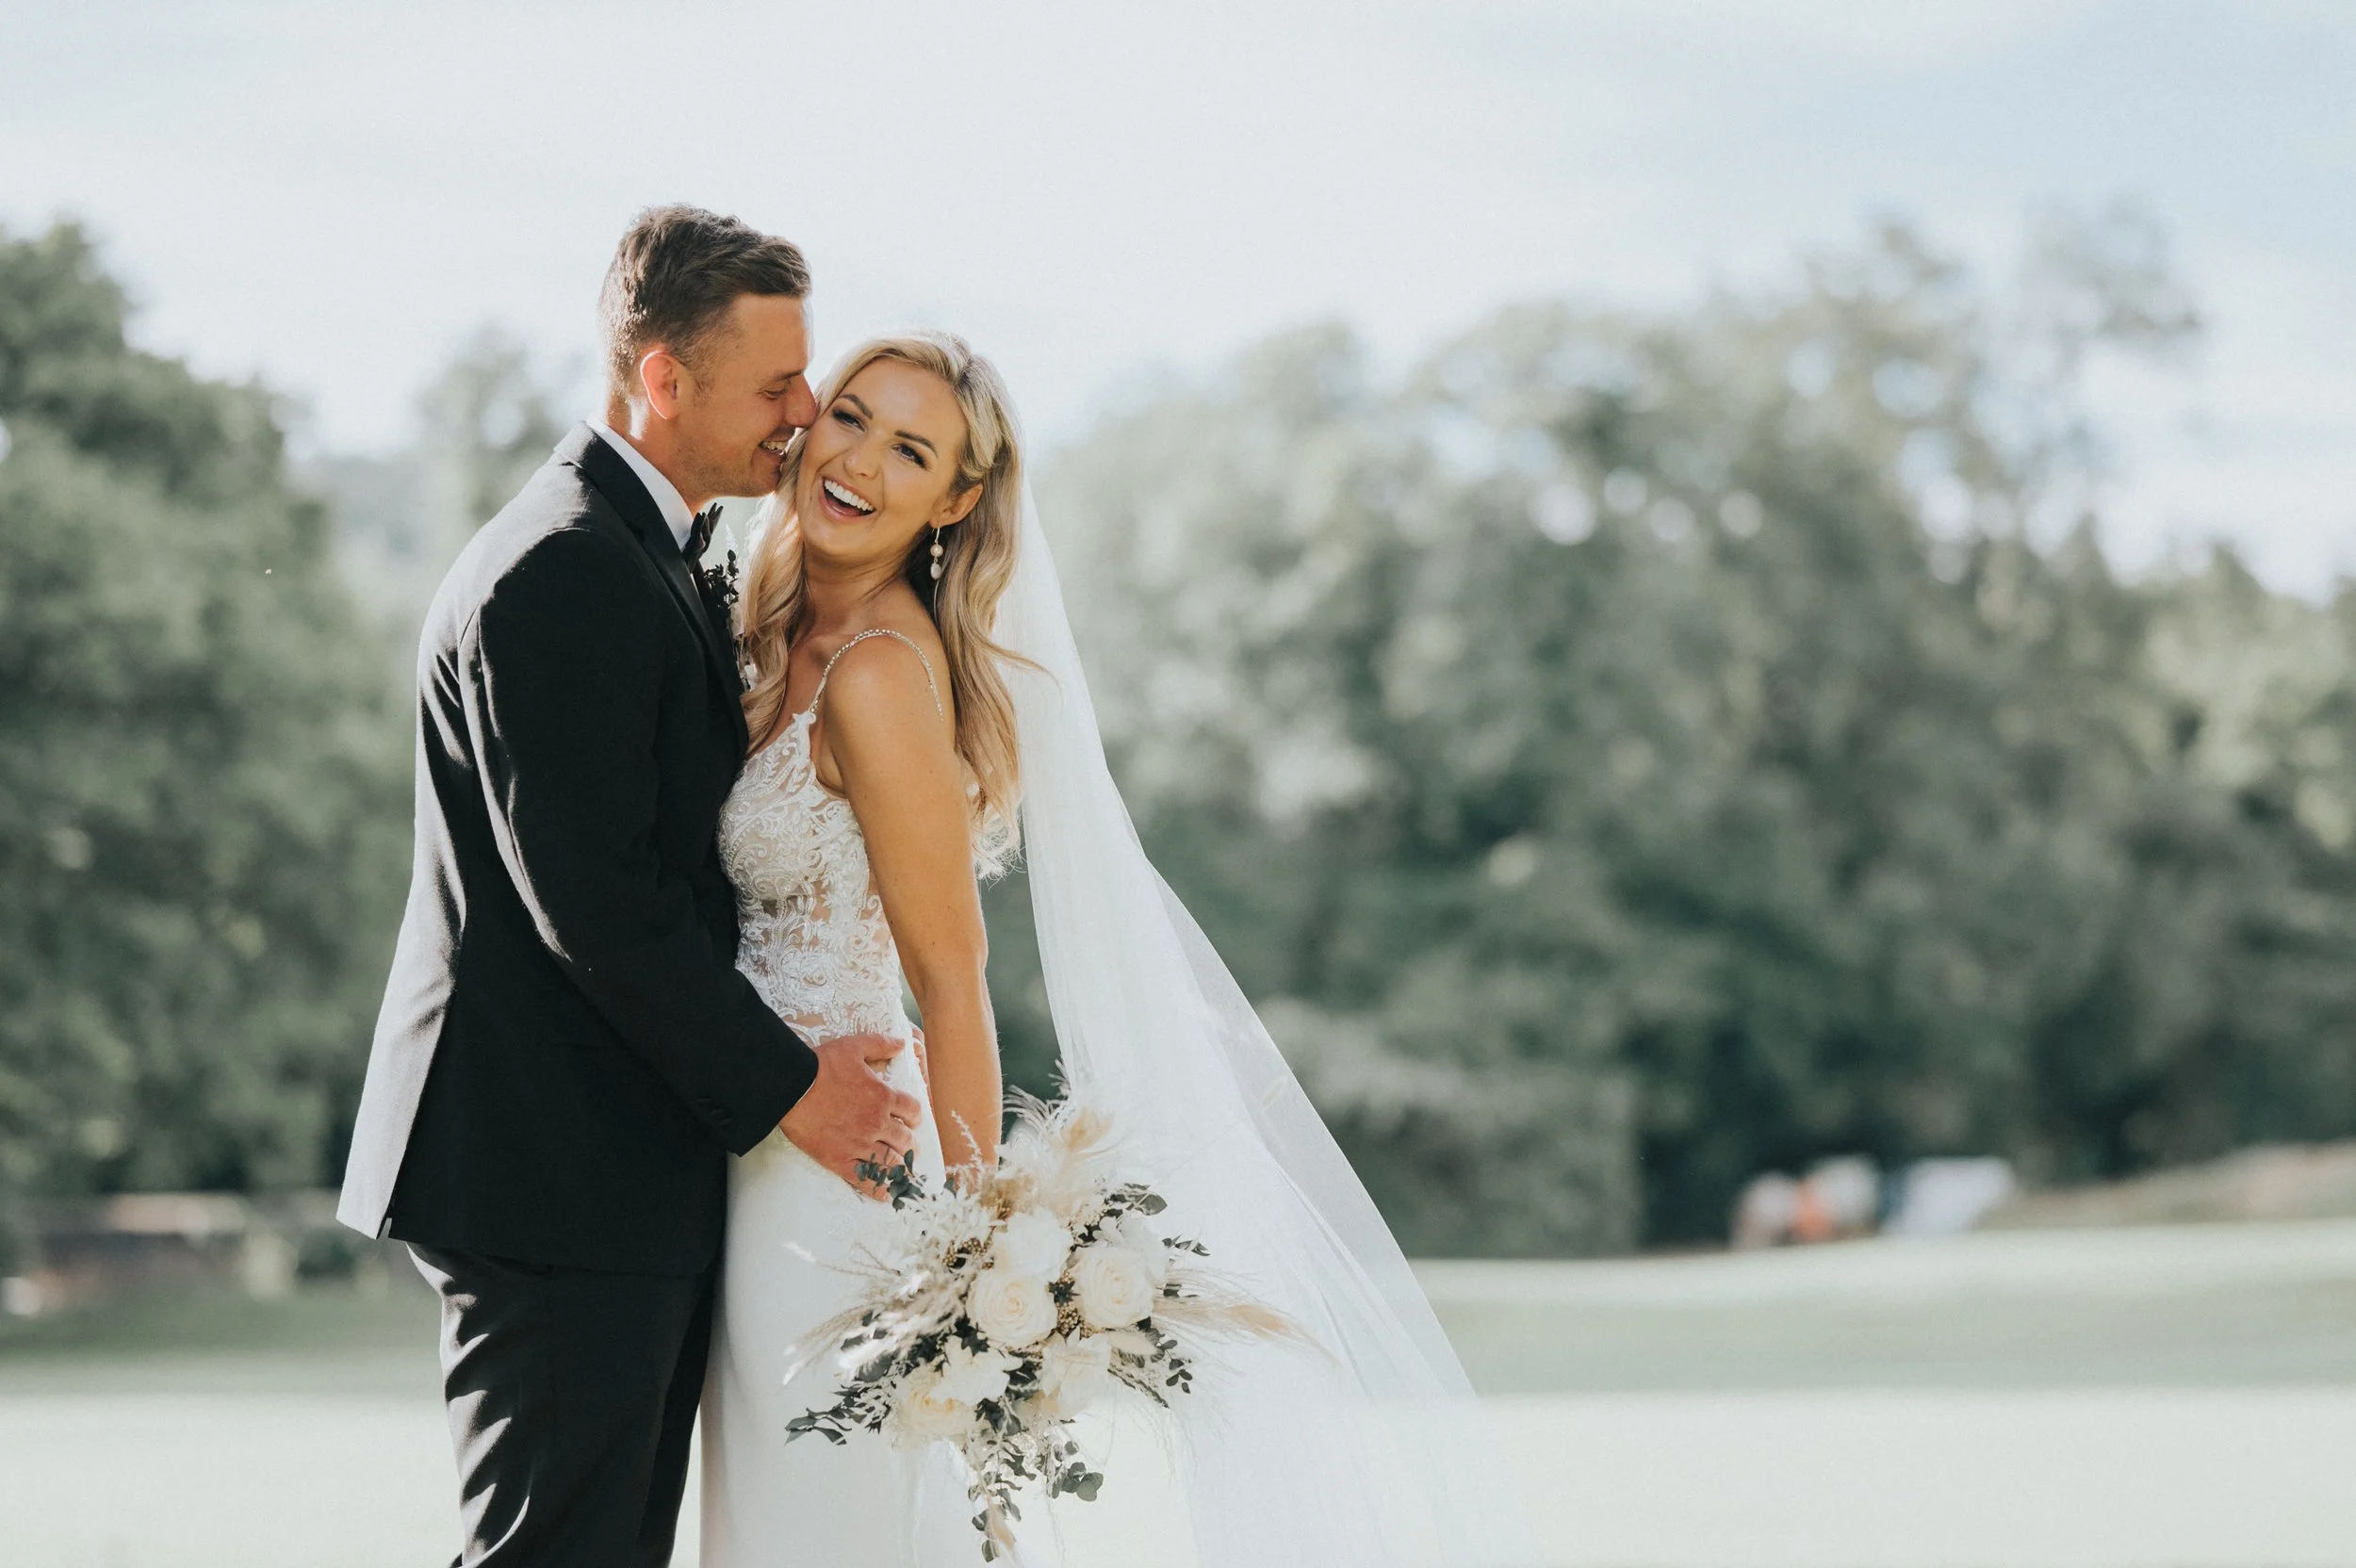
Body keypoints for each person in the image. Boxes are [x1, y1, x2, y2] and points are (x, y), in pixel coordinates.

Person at [701, 330, 1537, 1566]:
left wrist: (961, 1270)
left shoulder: (876, 671)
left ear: (958, 501)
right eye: (855, 419)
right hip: (744, 1156)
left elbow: (952, 978)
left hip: (839, 1181)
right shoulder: (773, 639)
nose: (863, 462)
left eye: (912, 450)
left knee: (823, 1532)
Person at [335, 206, 923, 1568]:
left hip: (605, 1169)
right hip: (554, 1178)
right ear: (662, 378)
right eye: (776, 385)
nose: (805, 412)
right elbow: (595, 901)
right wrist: (792, 1086)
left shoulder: (635, 547)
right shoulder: (562, 570)